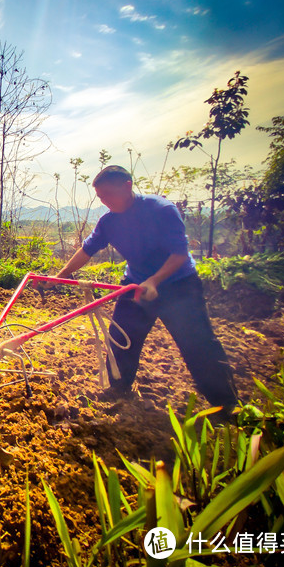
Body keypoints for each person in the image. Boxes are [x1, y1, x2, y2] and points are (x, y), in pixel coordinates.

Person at [55, 165, 239, 412]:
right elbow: (87, 250)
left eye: (109, 194)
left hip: (179, 286)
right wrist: (61, 275)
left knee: (197, 343)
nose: (105, 201)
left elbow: (180, 254)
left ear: (127, 186)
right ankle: (118, 390)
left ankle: (227, 404)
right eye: (101, 197)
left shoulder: (161, 210)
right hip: (136, 285)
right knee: (121, 339)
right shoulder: (108, 222)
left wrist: (154, 280)